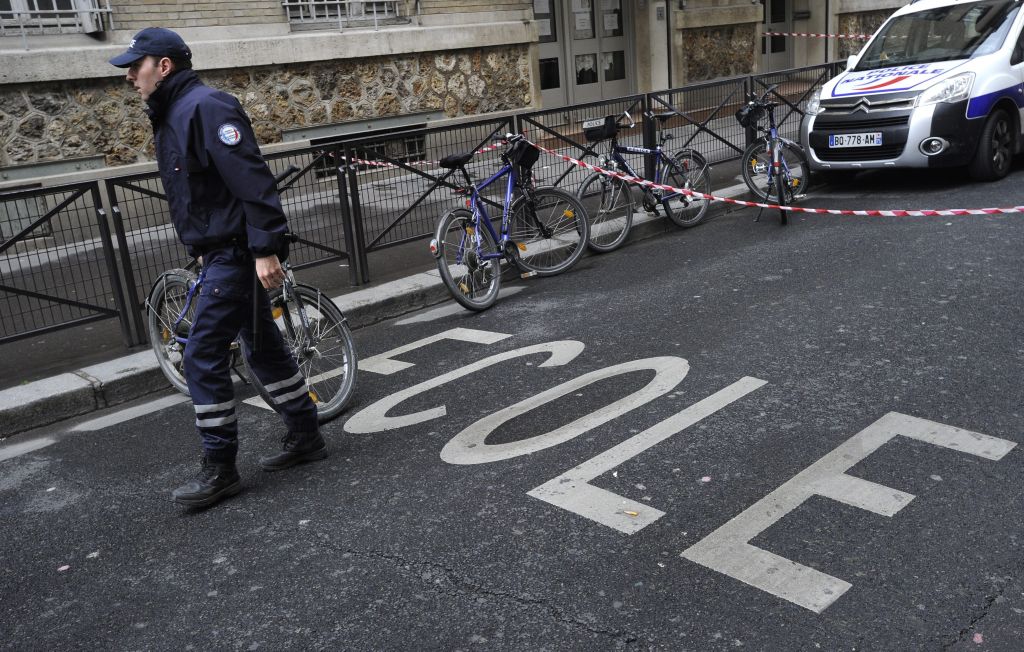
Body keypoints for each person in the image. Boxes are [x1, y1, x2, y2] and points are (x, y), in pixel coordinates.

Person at [110, 28, 327, 508]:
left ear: (163, 66)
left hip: (236, 253)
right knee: (264, 347)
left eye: (135, 65)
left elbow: (250, 178)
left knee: (200, 355)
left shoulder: (206, 107)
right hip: (222, 251)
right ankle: (306, 435)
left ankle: (220, 467)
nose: (129, 75)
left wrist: (266, 247)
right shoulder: (175, 112)